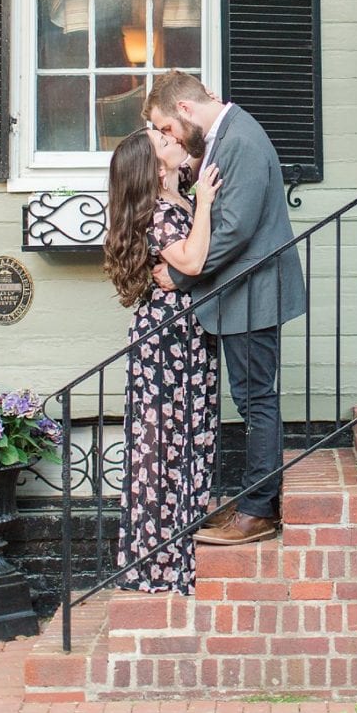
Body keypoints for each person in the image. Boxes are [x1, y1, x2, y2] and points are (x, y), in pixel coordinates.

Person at [144, 70, 307, 546]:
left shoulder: (240, 140)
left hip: (252, 293)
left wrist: (180, 274)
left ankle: (259, 510)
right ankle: (255, 493)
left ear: (186, 111)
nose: (169, 138)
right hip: (241, 294)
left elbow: (234, 228)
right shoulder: (223, 138)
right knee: (250, 397)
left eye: (168, 129)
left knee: (256, 398)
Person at [102, 126, 222, 593]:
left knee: (188, 436)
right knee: (162, 445)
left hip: (185, 335)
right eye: (162, 142)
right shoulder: (158, 213)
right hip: (166, 340)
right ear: (153, 167)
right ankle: (161, 563)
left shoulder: (174, 196)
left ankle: (180, 554)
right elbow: (191, 262)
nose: (171, 140)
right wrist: (207, 204)